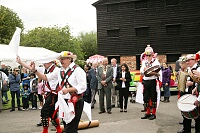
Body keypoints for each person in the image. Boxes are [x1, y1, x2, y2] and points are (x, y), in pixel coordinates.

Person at [27, 51, 86, 133]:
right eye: (60, 59)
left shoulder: (78, 70)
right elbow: (45, 77)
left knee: (70, 129)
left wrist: (69, 90)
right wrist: (35, 71)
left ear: (70, 59)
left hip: (75, 101)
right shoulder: (60, 71)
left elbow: (83, 86)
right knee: (67, 127)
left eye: (63, 59)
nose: (61, 61)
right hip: (64, 101)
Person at [16, 57, 62, 133]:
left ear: (51, 62)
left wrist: (35, 70)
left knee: (44, 111)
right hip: (48, 94)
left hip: (54, 94)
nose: (43, 64)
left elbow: (45, 78)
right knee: (51, 114)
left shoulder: (57, 70)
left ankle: (45, 131)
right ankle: (59, 130)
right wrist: (20, 62)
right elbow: (30, 67)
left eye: (45, 62)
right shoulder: (45, 69)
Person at [177, 54, 200, 133]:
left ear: (195, 60)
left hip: (195, 95)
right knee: (185, 112)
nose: (187, 62)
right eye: (186, 61)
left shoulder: (198, 69)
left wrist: (192, 83)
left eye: (189, 60)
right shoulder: (188, 69)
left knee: (197, 117)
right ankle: (186, 129)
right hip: (188, 92)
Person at [140, 45, 162, 120]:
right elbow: (142, 72)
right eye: (147, 55)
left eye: (150, 55)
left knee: (153, 97)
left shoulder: (156, 61)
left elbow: (157, 71)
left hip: (152, 81)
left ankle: (154, 113)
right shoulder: (144, 62)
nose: (148, 57)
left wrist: (150, 72)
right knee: (146, 97)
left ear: (152, 55)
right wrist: (151, 72)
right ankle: (148, 112)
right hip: (146, 81)